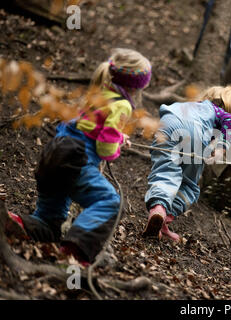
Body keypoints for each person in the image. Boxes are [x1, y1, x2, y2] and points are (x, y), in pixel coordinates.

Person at [5, 48, 152, 265]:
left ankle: (20, 224)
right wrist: (117, 147)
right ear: (137, 85)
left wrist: (118, 137)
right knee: (110, 202)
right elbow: (105, 149)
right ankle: (74, 251)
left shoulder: (97, 94)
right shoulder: (122, 105)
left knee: (49, 221)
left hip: (53, 154)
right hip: (75, 160)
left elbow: (89, 127)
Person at [143, 86, 231, 242]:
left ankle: (159, 210)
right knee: (188, 185)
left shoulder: (189, 105)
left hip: (167, 124)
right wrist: (221, 148)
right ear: (227, 105)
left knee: (165, 171)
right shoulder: (215, 110)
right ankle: (166, 214)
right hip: (193, 131)